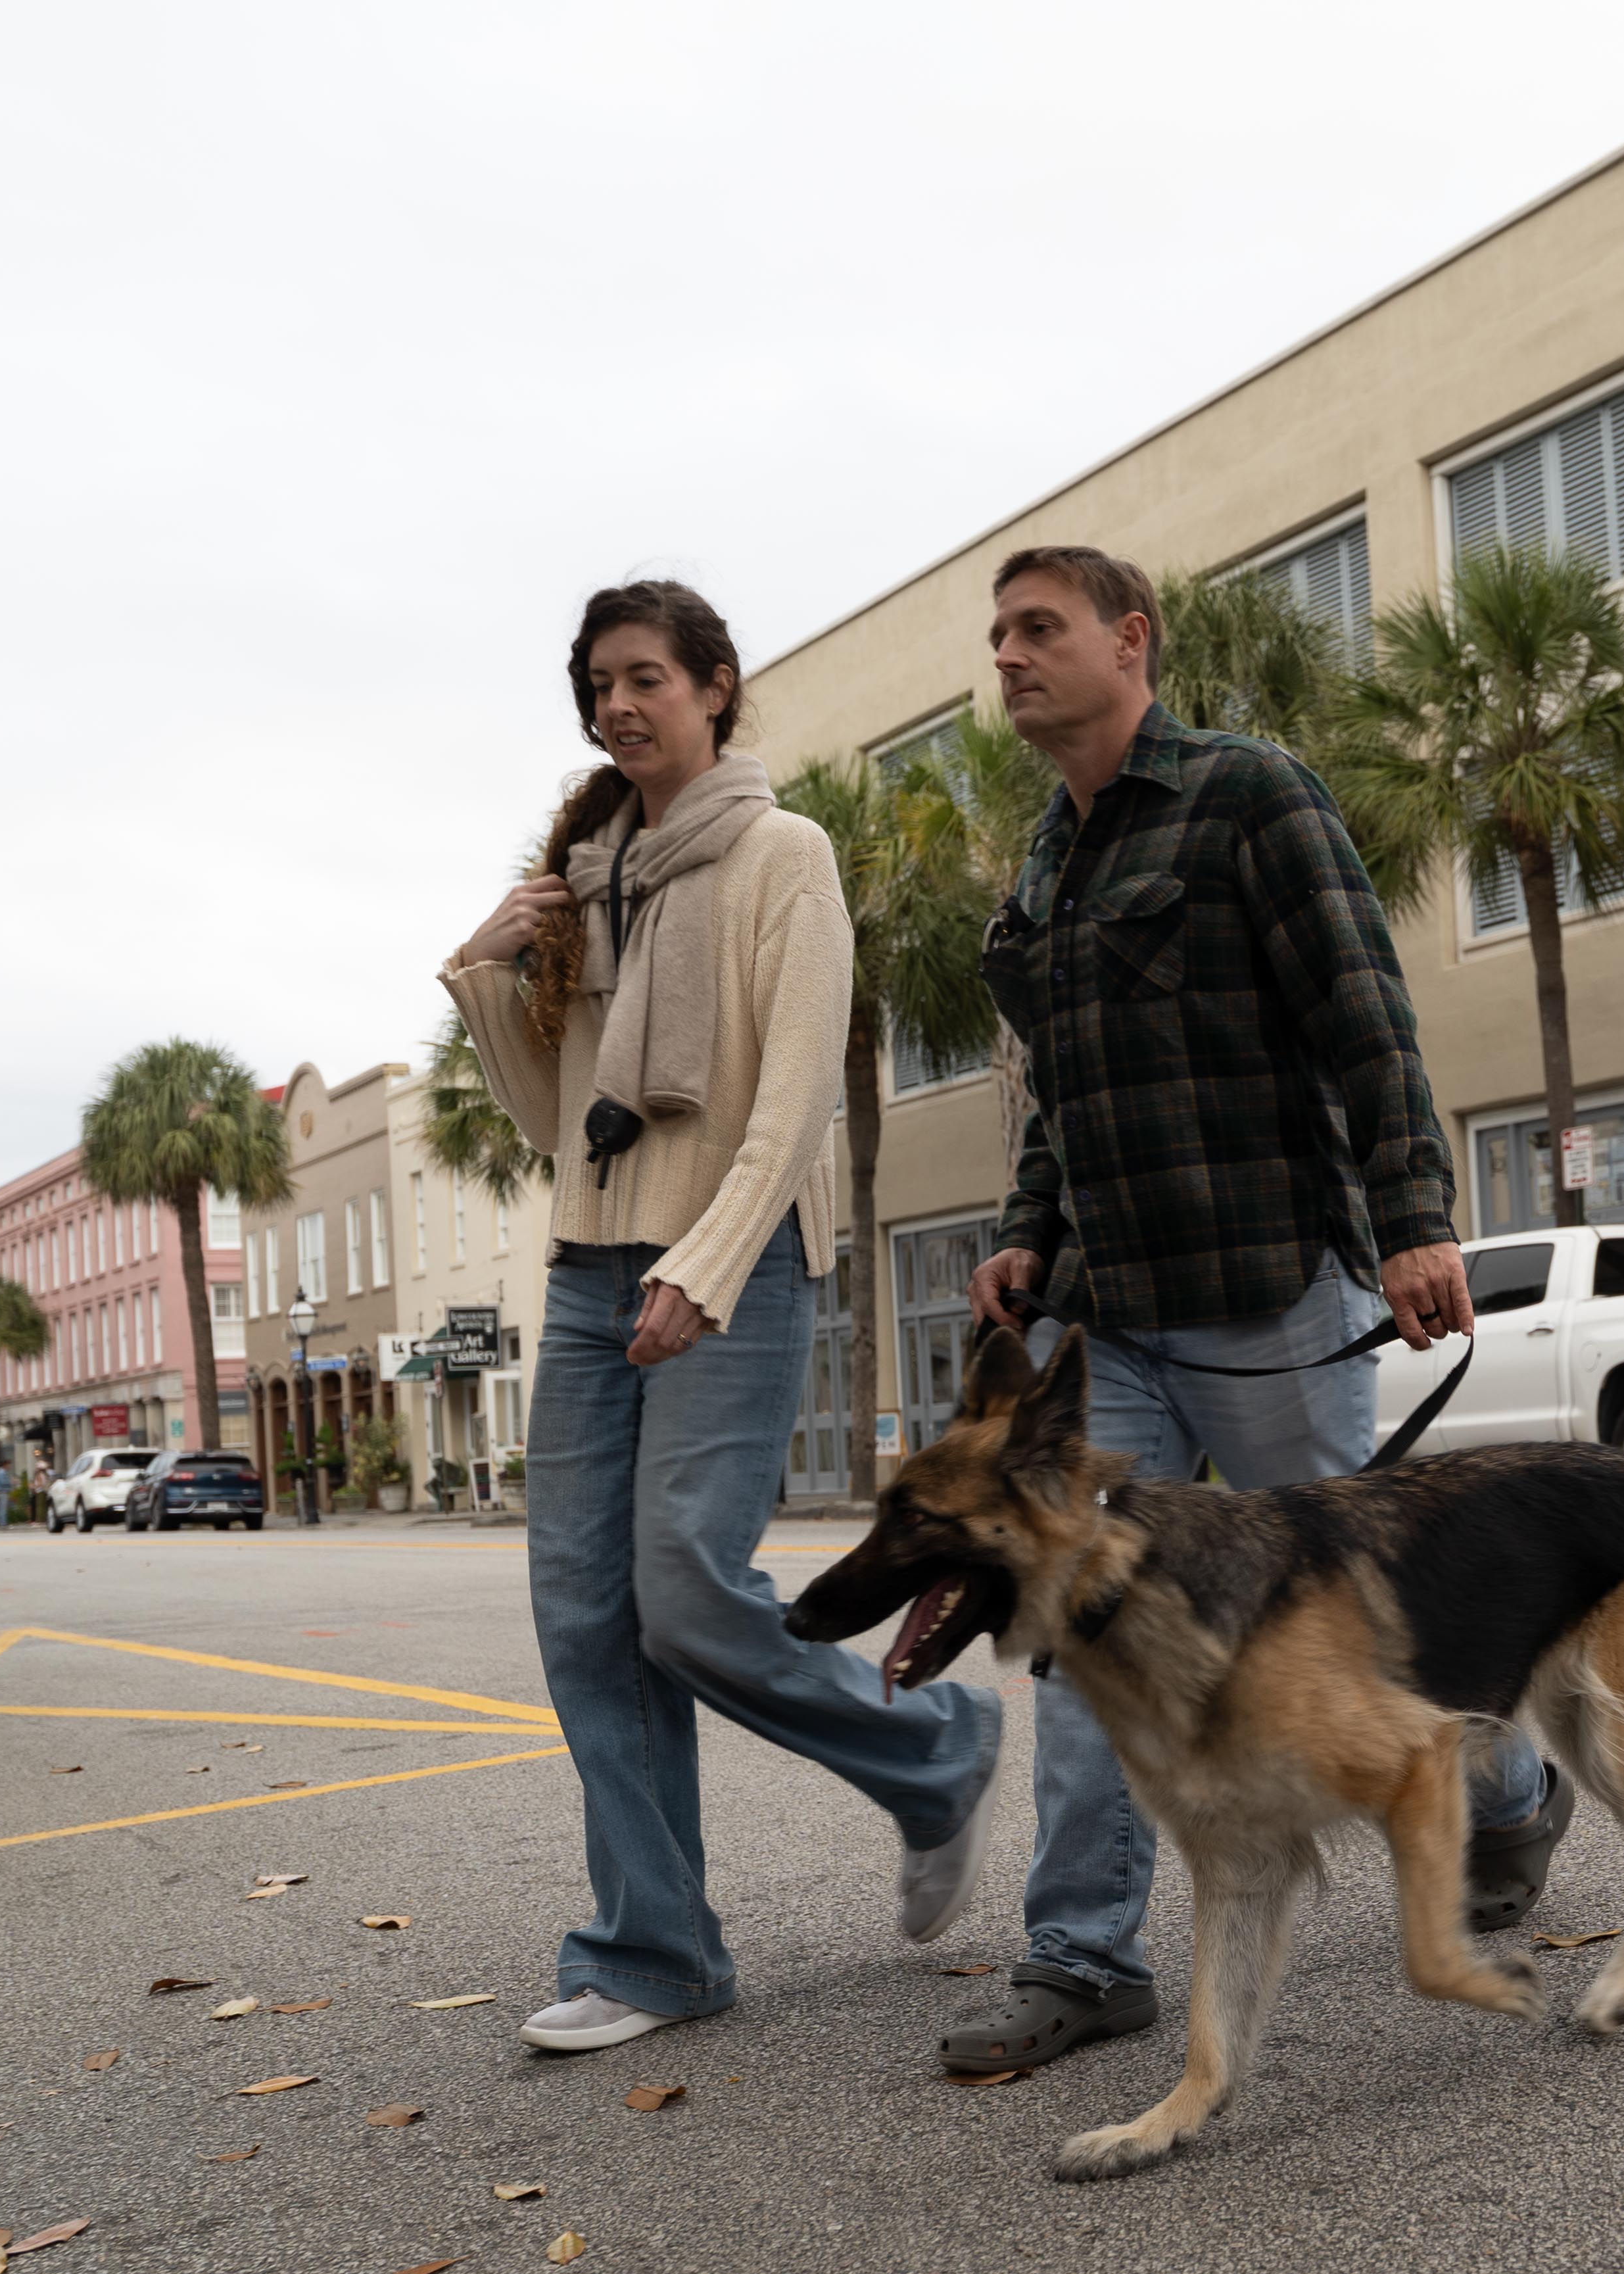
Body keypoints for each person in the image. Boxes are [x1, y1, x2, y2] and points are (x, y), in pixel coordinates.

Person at [953, 544, 1564, 2077]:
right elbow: (1065, 1099)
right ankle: (1083, 1952)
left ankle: (1509, 1790)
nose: (1009, 654)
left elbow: (1365, 1016)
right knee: (1085, 1624)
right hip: (1113, 1317)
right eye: (1000, 632)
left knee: (1363, 1620)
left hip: (1271, 1284)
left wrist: (1412, 1217)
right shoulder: (1045, 859)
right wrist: (1027, 1235)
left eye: (1039, 627)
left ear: (1129, 640)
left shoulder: (1248, 793)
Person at [443, 581, 1001, 2056]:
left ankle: (933, 1747)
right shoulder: (588, 879)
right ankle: (656, 1951)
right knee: (585, 1622)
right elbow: (553, 1121)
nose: (619, 706)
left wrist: (708, 1259)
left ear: (714, 684)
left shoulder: (780, 854)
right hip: (585, 1274)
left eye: (645, 677)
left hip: (732, 1270)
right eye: (598, 686)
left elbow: (799, 1094)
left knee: (684, 1592)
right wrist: (488, 968)